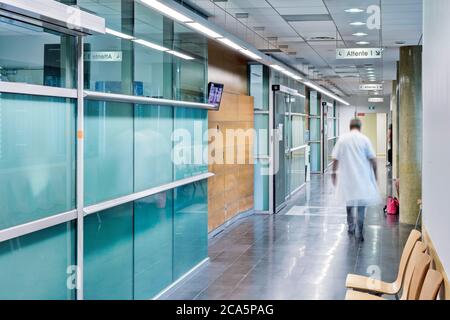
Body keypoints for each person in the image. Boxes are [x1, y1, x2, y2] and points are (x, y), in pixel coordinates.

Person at [331, 118, 380, 242]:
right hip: (362, 178)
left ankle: (351, 227)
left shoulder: (342, 140)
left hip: (347, 179)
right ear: (360, 127)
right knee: (361, 206)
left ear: (349, 126)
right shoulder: (365, 140)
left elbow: (335, 159)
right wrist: (375, 176)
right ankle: (360, 229)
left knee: (349, 203)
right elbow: (373, 160)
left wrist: (333, 174)